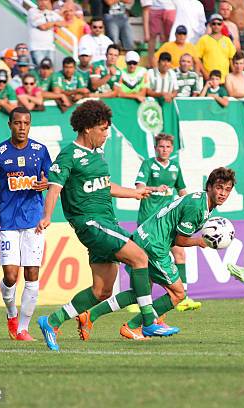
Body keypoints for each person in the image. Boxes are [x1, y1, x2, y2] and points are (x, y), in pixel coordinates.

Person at [35, 100, 160, 351]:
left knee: (101, 291)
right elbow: (54, 187)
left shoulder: (97, 155)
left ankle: (51, 321)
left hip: (106, 223)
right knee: (140, 257)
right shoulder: (69, 154)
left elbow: (106, 186)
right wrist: (46, 216)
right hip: (91, 223)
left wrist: (135, 193)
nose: (106, 134)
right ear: (87, 128)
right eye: (103, 129)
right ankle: (148, 321)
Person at [76, 167, 236, 341]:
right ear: (210, 187)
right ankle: (135, 326)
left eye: (227, 190)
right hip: (154, 246)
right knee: (178, 294)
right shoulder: (197, 207)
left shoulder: (202, 202)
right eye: (219, 188)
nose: (223, 193)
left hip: (145, 236)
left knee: (141, 292)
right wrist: (199, 241)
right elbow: (181, 241)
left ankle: (90, 316)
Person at [0, 107, 51, 341]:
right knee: (11, 276)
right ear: (10, 125)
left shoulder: (40, 150)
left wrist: (45, 183)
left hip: (33, 220)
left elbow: (50, 179)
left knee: (32, 273)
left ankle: (23, 328)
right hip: (7, 221)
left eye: (26, 123)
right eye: (17, 123)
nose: (21, 127)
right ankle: (11, 315)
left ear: (30, 125)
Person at [133, 133, 200, 312]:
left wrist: (192, 208)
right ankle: (142, 301)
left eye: (168, 147)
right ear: (156, 148)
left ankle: (183, 296)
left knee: (180, 254)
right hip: (148, 222)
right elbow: (139, 188)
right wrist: (155, 188)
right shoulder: (148, 164)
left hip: (168, 222)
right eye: (161, 147)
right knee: (146, 262)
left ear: (172, 149)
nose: (164, 150)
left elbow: (182, 191)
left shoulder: (175, 167)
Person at [196, 14, 237, 82]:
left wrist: (234, 76)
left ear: (222, 25)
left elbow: (231, 59)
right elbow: (197, 58)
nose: (216, 26)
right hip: (209, 79)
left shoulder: (227, 40)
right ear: (210, 25)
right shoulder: (203, 39)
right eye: (214, 23)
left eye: (219, 24)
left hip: (225, 79)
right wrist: (205, 73)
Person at [28, 0, 67, 66]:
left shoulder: (50, 13)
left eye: (45, 0)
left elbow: (64, 23)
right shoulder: (32, 11)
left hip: (50, 48)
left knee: (50, 71)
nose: (43, 2)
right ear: (37, 1)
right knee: (41, 70)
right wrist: (54, 23)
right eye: (41, 0)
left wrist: (50, 23)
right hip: (37, 48)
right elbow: (43, 27)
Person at [148, 0, 177, 67]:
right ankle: (150, 63)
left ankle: (167, 62)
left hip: (171, 7)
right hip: (155, 7)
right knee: (152, 36)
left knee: (168, 37)